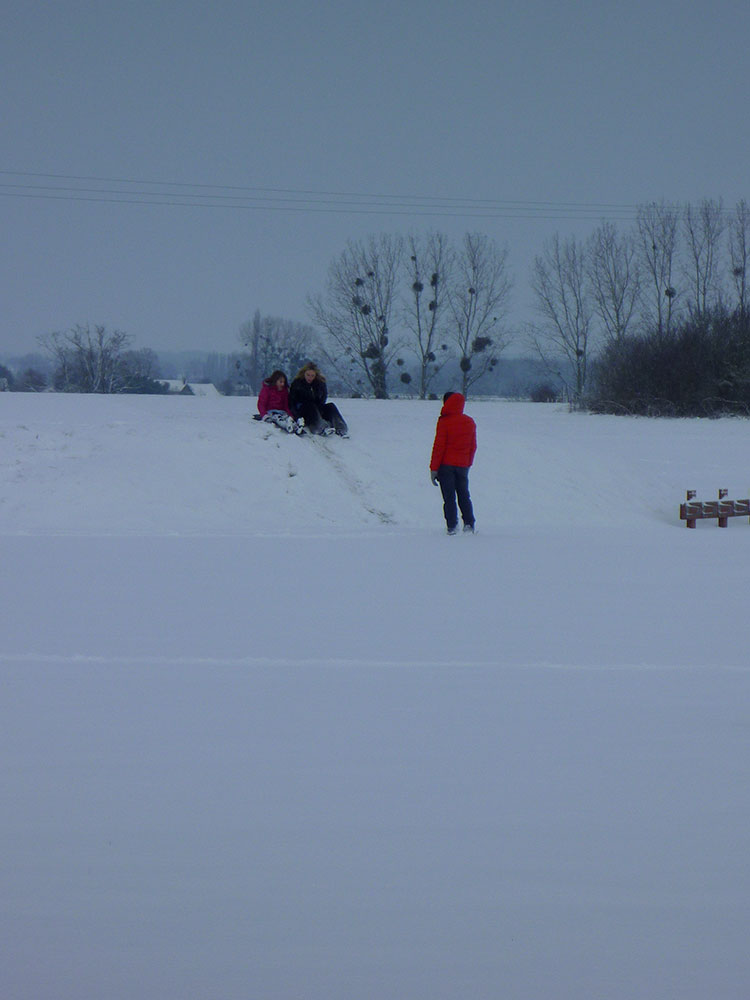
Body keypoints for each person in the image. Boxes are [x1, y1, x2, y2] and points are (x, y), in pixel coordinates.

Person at [429, 391, 476, 534]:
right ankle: (469, 524)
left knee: (449, 497)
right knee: (464, 495)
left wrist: (433, 468)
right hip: (462, 466)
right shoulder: (469, 422)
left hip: (446, 466)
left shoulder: (444, 421)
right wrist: (468, 463)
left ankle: (452, 526)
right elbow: (473, 446)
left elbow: (439, 446)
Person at [289, 362, 349, 437]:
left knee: (331, 406)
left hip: (317, 409)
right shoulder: (297, 384)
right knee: (310, 405)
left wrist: (320, 410)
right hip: (304, 411)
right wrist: (296, 416)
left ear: (315, 376)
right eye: (308, 375)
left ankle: (340, 427)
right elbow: (292, 401)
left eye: (312, 376)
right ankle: (319, 427)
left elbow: (323, 397)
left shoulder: (320, 384)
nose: (309, 377)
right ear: (304, 374)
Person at [257, 370, 305, 434]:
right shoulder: (267, 389)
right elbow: (261, 403)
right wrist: (264, 415)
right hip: (270, 411)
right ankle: (287, 426)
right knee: (278, 418)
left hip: (282, 411)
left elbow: (286, 405)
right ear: (275, 381)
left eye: (284, 382)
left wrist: (290, 414)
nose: (282, 384)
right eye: (280, 382)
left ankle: (295, 426)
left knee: (285, 417)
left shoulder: (284, 391)